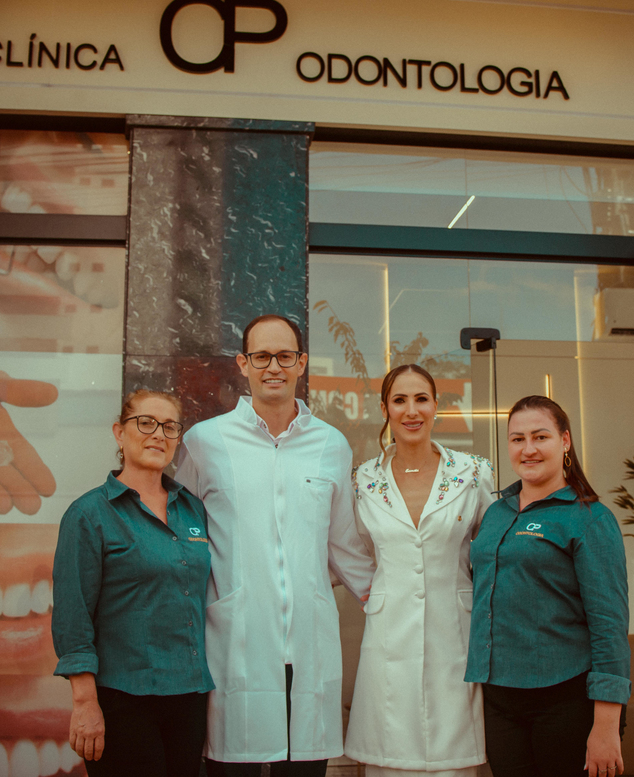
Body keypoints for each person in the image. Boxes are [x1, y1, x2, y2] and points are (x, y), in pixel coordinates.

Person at [175, 314, 376, 777]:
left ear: (301, 363)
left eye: (285, 356)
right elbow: (184, 541)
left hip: (308, 643)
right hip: (236, 641)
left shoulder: (331, 445)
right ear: (243, 363)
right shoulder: (205, 442)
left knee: (304, 766)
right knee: (234, 766)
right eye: (262, 356)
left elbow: (344, 545)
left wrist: (389, 602)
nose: (273, 367)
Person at [466, 395, 630, 777]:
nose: (528, 449)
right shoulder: (496, 513)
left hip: (566, 698)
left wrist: (606, 725)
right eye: (517, 439)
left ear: (565, 441)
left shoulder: (589, 517)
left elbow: (609, 627)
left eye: (540, 437)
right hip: (499, 698)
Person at [52, 389, 213, 777]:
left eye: (170, 427)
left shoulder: (192, 508)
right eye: (146, 423)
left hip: (189, 696)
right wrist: (85, 702)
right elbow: (73, 616)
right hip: (123, 698)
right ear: (119, 433)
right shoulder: (89, 514)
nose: (158, 434)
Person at [346, 364, 496, 777]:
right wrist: (375, 593)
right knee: (388, 758)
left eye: (421, 399)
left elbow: (491, 551)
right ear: (384, 409)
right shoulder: (362, 480)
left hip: (455, 635)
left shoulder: (473, 473)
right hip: (388, 637)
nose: (411, 411)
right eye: (400, 400)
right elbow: (353, 549)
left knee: (454, 760)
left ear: (435, 406)